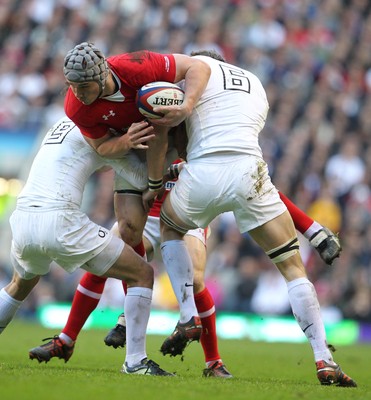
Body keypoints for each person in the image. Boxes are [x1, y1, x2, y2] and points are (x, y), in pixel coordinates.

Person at [143, 50, 357, 387]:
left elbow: (178, 138)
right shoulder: (254, 83)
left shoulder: (192, 80)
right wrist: (313, 231)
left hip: (203, 172)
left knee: (170, 226)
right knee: (292, 268)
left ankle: (186, 317)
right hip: (251, 172)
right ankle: (324, 358)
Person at [28, 157, 233, 379]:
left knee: (195, 280)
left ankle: (213, 362)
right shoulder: (145, 126)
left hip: (185, 216)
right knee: (103, 263)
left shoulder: (192, 125)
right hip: (146, 213)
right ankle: (65, 340)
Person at [0, 117, 173, 376]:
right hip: (60, 220)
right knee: (143, 274)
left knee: (19, 285)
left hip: (24, 217)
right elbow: (142, 178)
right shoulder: (100, 131)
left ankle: (67, 339)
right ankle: (135, 362)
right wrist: (172, 165)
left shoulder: (63, 122)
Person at [62, 41, 211, 263]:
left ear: (102, 77)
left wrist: (186, 106)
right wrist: (126, 140)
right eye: (71, 85)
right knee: (128, 231)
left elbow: (199, 67)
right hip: (133, 152)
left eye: (83, 86)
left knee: (192, 262)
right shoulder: (75, 106)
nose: (77, 93)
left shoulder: (136, 66)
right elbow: (101, 147)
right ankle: (140, 284)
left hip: (174, 140)